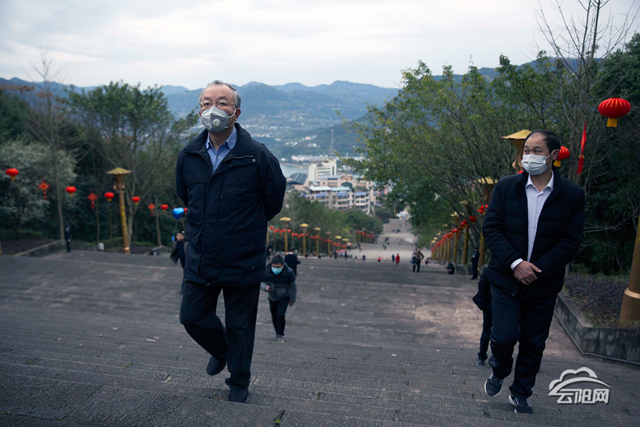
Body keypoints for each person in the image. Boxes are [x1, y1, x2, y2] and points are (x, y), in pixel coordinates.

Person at [176, 80, 286, 403]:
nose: (213, 109)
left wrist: (245, 227)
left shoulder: (257, 156)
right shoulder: (189, 155)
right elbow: (185, 195)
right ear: (199, 111)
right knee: (191, 317)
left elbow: (273, 200)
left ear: (236, 113)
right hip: (201, 254)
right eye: (206, 102)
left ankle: (239, 382)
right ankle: (221, 350)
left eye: (222, 102)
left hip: (243, 257)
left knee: (240, 326)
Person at [482, 130, 585, 414]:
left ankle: (521, 392)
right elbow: (491, 228)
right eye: (526, 150)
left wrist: (537, 270)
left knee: (533, 342)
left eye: (537, 151)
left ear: (554, 155)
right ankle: (499, 370)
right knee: (503, 336)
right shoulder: (506, 187)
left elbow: (571, 241)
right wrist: (516, 263)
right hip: (506, 278)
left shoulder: (572, 195)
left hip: (543, 283)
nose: (529, 155)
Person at [261, 255, 297, 343]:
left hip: (283, 296)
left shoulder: (289, 272)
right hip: (272, 296)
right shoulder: (266, 271)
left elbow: (293, 286)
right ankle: (277, 332)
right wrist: (266, 287)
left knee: (280, 315)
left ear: (282, 265)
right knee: (274, 315)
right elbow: (261, 282)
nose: (275, 269)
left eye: (278, 267)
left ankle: (281, 334)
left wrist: (292, 299)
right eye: (274, 267)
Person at [472, 268, 492, 365]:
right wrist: (484, 305)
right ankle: (482, 355)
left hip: (505, 306)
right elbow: (482, 288)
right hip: (490, 305)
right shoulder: (489, 271)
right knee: (486, 332)